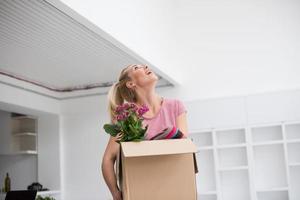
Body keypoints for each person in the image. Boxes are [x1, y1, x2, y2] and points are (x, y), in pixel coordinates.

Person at [101, 64, 188, 200]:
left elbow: (183, 149)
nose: (145, 66)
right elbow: (107, 159)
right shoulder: (127, 116)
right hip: (140, 191)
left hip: (173, 188)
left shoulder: (176, 106)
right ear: (131, 83)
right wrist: (116, 194)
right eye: (137, 68)